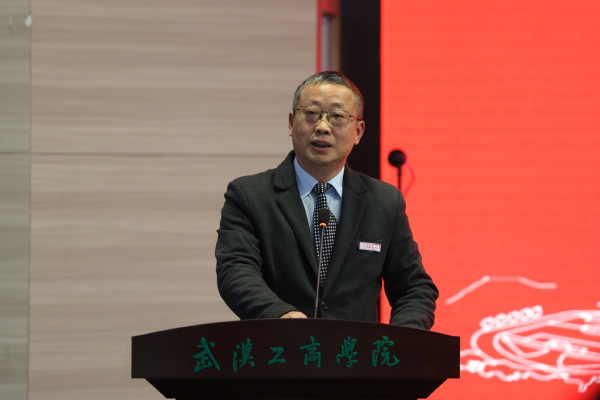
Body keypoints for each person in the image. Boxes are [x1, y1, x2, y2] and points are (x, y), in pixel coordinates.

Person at [215, 71, 438, 329]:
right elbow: (236, 270)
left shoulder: (384, 202)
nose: (322, 126)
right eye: (311, 113)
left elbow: (415, 288)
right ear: (291, 123)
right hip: (278, 347)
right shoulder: (250, 195)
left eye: (337, 116)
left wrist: (400, 341)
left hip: (355, 352)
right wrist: (280, 316)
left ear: (358, 131)